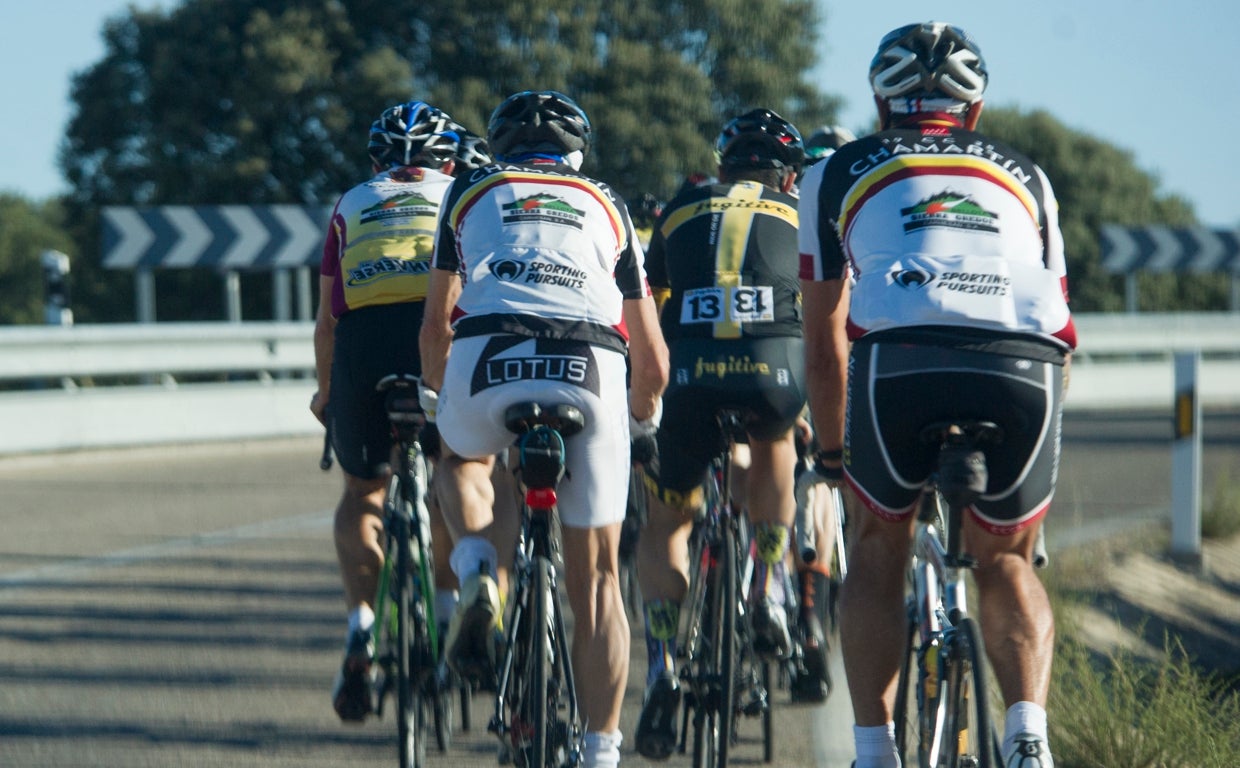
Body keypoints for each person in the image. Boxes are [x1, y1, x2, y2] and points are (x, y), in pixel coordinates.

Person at [798, 22, 1077, 768]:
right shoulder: (1032, 177)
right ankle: (1028, 737)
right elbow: (1061, 329)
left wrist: (833, 456)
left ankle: (873, 751)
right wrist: (1027, 513)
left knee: (877, 545)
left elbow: (825, 346)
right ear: (975, 111)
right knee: (1008, 560)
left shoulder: (833, 170)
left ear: (880, 104)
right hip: (1024, 367)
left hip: (901, 360)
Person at [418, 89, 669, 768]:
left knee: (462, 460)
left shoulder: (469, 190)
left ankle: (480, 573)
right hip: (589, 363)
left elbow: (438, 321)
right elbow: (651, 356)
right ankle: (600, 750)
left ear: (501, 149)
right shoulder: (607, 201)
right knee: (598, 586)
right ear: (575, 152)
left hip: (487, 352)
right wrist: (642, 420)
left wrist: (440, 402)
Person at [633, 108, 815, 760]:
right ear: (789, 178)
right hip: (774, 373)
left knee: (666, 524)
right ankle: (767, 585)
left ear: (722, 170)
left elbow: (647, 302)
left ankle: (661, 664)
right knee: (776, 442)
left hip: (691, 379)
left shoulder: (683, 206)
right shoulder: (802, 211)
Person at [310, 100, 461, 722]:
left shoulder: (350, 202)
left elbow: (327, 320)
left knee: (362, 491)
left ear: (376, 161)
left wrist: (326, 395)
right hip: (433, 334)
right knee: (459, 470)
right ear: (448, 158)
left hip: (363, 346)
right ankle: (452, 615)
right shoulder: (464, 193)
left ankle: (361, 625)